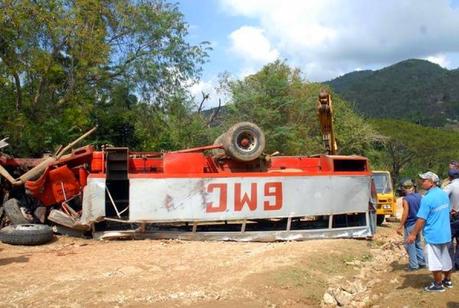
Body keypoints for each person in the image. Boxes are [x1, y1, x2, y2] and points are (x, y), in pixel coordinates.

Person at [407, 171, 452, 292]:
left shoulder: (427, 198)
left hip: (433, 235)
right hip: (446, 233)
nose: (422, 182)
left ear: (431, 183)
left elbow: (421, 219)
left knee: (434, 261)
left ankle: (438, 285)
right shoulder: (443, 194)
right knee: (445, 258)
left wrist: (412, 234)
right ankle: (447, 280)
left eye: (424, 180)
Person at [397, 179, 425, 270]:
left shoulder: (406, 199)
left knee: (409, 244)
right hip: (419, 224)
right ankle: (421, 262)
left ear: (404, 188)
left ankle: (413, 265)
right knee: (417, 243)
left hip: (410, 224)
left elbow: (405, 213)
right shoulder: (419, 196)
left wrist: (400, 226)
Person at [444, 168, 459, 270]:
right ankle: (458, 263)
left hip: (453, 217)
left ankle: (450, 264)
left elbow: (441, 196)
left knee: (449, 242)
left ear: (450, 177)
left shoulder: (451, 186)